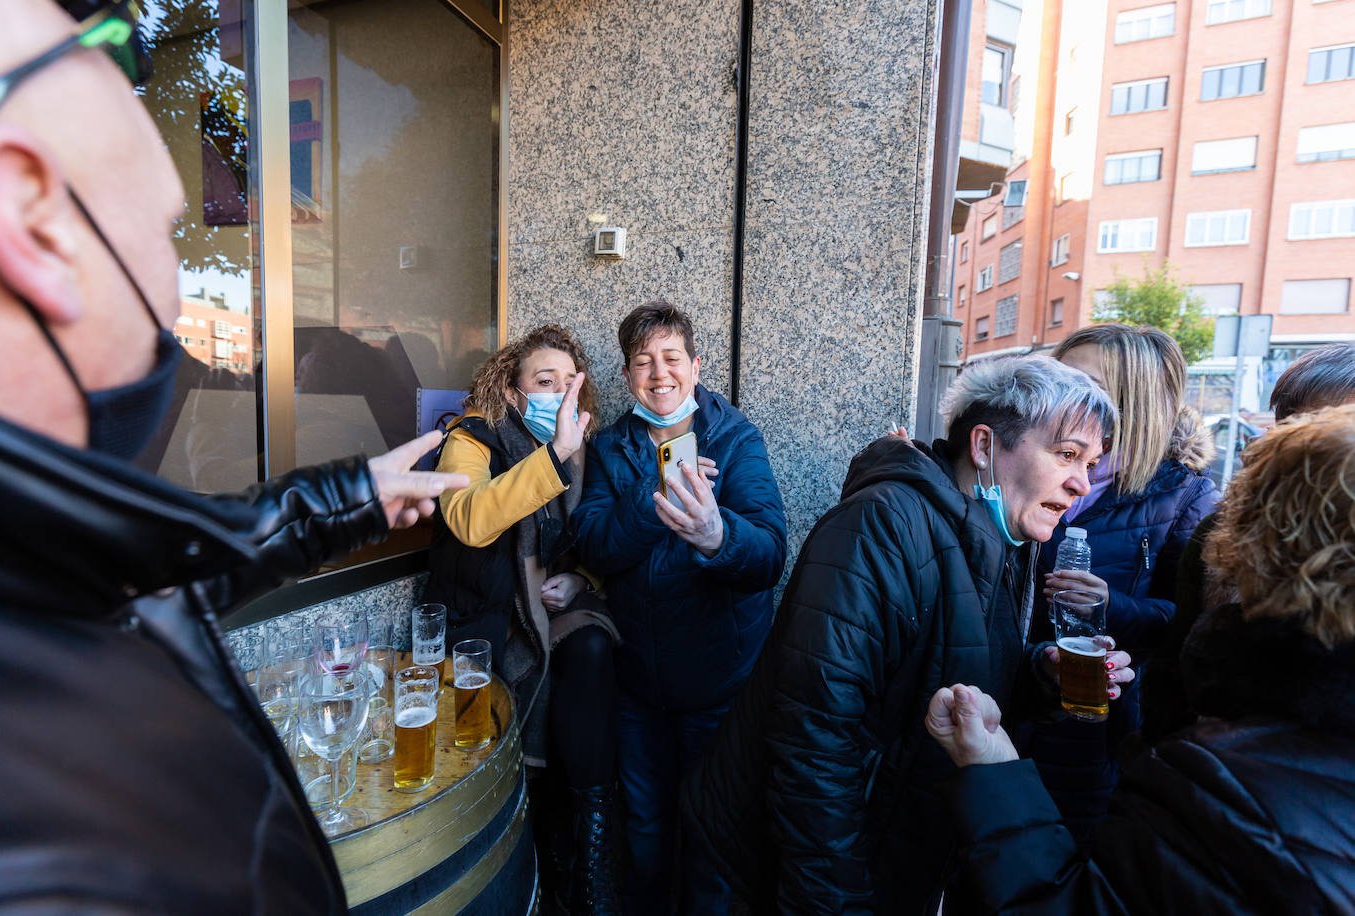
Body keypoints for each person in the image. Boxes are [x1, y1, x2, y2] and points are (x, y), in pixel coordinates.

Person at [0, 2, 467, 910]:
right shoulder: (37, 873)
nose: (178, 296)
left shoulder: (32, 554)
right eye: (169, 236)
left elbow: (154, 575)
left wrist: (356, 495)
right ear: (32, 219)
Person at [682, 355, 1122, 915]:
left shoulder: (1008, 538)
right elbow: (813, 743)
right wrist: (838, 905)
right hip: (771, 869)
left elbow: (953, 671)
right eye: (1066, 454)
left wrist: (1041, 674)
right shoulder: (881, 527)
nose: (1082, 482)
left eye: (1091, 462)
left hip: (892, 852)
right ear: (984, 447)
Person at [926, 403, 1355, 915]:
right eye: (1067, 450)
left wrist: (993, 770)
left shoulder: (1221, 783)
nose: (1080, 482)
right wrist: (1043, 671)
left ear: (1253, 546)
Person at [572, 301, 786, 916]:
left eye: (671, 359)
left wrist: (718, 537)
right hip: (639, 685)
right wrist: (650, 497)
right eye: (643, 362)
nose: (659, 374)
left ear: (696, 366)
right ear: (627, 374)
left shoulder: (735, 438)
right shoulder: (612, 447)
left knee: (713, 840)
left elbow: (770, 555)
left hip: (721, 687)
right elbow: (594, 544)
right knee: (645, 834)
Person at [422, 324, 620, 916]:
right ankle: (519, 879)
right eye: (543, 382)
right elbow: (470, 520)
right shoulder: (471, 439)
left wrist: (582, 581)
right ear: (511, 391)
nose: (558, 394)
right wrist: (554, 454)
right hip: (479, 629)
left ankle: (588, 854)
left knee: (590, 650)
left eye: (568, 384)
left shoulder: (584, 453)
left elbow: (595, 547)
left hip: (546, 618)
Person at [1016, 325, 1219, 842]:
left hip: (1093, 731)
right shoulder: (1017, 463)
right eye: (1059, 376)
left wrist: (1115, 604)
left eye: (1085, 382)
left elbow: (1193, 622)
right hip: (998, 702)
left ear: (1136, 402)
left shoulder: (1184, 497)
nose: (1065, 393)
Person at [1142, 340, 1355, 743]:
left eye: (1336, 427)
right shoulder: (1223, 532)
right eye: (1292, 428)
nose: (1307, 448)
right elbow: (1171, 673)